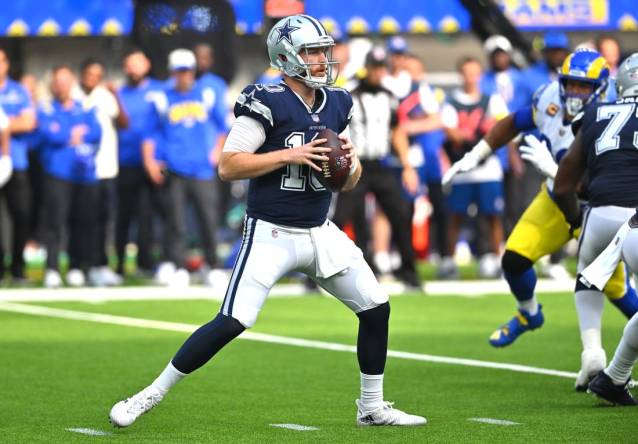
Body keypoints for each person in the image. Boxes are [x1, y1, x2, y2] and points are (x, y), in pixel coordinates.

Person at [109, 14, 425, 428]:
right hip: (271, 231)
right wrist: (287, 155)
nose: (321, 59)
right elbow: (228, 166)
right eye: (312, 51)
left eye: (322, 51)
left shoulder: (338, 102)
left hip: (319, 229)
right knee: (232, 321)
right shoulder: (267, 99)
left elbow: (349, 182)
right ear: (286, 55)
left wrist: (349, 163)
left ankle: (371, 407)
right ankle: (149, 394)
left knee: (376, 308)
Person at [442, 49, 638, 387]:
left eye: (583, 86)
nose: (575, 93)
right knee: (515, 258)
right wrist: (477, 155)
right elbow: (512, 123)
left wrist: (554, 169)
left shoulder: (608, 105)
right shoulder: (549, 97)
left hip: (594, 204)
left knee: (612, 284)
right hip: (558, 197)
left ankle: (600, 360)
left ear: (605, 85)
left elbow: (604, 181)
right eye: (570, 85)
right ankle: (530, 313)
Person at [553, 53, 638, 398]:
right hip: (635, 215)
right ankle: (613, 374)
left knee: (587, 277)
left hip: (600, 216)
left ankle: (596, 357)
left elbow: (562, 186)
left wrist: (576, 220)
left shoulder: (595, 113)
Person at [332, 46, 421, 289]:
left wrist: (407, 166)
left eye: (382, 68)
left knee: (401, 214)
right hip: (356, 167)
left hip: (381, 166)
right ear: (367, 68)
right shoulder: (350, 94)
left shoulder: (389, 97)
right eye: (375, 68)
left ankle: (409, 272)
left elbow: (397, 132)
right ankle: (319, 272)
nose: (379, 73)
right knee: (339, 219)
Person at [143, 49, 224, 287]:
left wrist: (217, 151)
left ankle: (212, 265)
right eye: (179, 71)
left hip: (202, 168)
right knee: (175, 221)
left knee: (208, 219)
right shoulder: (161, 98)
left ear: (193, 71)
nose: (183, 76)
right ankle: (178, 265)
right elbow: (150, 133)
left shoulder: (206, 94)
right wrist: (150, 160)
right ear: (172, 72)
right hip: (175, 166)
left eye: (187, 71)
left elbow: (222, 125)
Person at [441, 56, 508, 278]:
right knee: (456, 215)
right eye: (467, 72)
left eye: (474, 73)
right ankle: (449, 261)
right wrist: (479, 131)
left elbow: (500, 125)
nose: (471, 78)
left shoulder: (492, 99)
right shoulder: (451, 102)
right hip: (461, 168)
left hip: (488, 168)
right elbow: (453, 134)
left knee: (493, 214)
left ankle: (496, 258)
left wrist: (479, 132)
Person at [38, 65, 102, 288]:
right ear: (53, 85)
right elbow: (49, 133)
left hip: (83, 174)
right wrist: (71, 133)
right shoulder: (46, 108)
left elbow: (96, 131)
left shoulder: (83, 107)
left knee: (81, 222)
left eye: (65, 81)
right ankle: (53, 268)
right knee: (55, 223)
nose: (61, 86)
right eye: (58, 82)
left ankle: (76, 266)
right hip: (58, 172)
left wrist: (71, 134)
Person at [75, 58, 128, 286]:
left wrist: (116, 95)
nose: (92, 79)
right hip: (77, 168)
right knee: (78, 218)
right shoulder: (73, 95)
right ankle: (78, 264)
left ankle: (99, 263)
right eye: (89, 74)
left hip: (105, 165)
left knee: (102, 218)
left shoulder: (106, 96)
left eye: (97, 74)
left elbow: (124, 122)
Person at [115, 49, 167, 276]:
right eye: (128, 64)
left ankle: (145, 263)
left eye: (136, 63)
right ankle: (118, 265)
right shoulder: (119, 92)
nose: (132, 69)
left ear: (146, 64)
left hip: (152, 163)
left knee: (147, 215)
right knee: (123, 215)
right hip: (125, 160)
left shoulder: (160, 90)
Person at [0, 48, 37, 281]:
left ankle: (18, 266)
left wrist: (3, 124)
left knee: (21, 213)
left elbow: (29, 122)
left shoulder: (18, 90)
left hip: (16, 161)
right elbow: (19, 121)